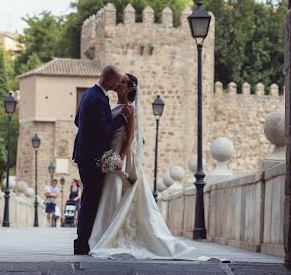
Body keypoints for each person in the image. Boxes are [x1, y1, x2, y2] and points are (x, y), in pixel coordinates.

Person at [89, 73, 207, 260]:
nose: (119, 83)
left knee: (116, 191)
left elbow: (130, 137)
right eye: (119, 81)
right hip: (111, 153)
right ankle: (105, 232)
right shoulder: (115, 106)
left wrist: (119, 157)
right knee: (111, 194)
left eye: (123, 82)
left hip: (121, 155)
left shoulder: (129, 108)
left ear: (129, 88)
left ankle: (108, 235)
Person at [72, 65, 133, 255]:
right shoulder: (99, 99)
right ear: (108, 81)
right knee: (90, 201)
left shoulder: (89, 94)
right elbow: (105, 130)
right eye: (116, 83)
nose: (117, 86)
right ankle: (82, 243)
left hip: (84, 154)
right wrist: (122, 117)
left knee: (89, 199)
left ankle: (85, 240)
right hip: (92, 157)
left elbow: (77, 121)